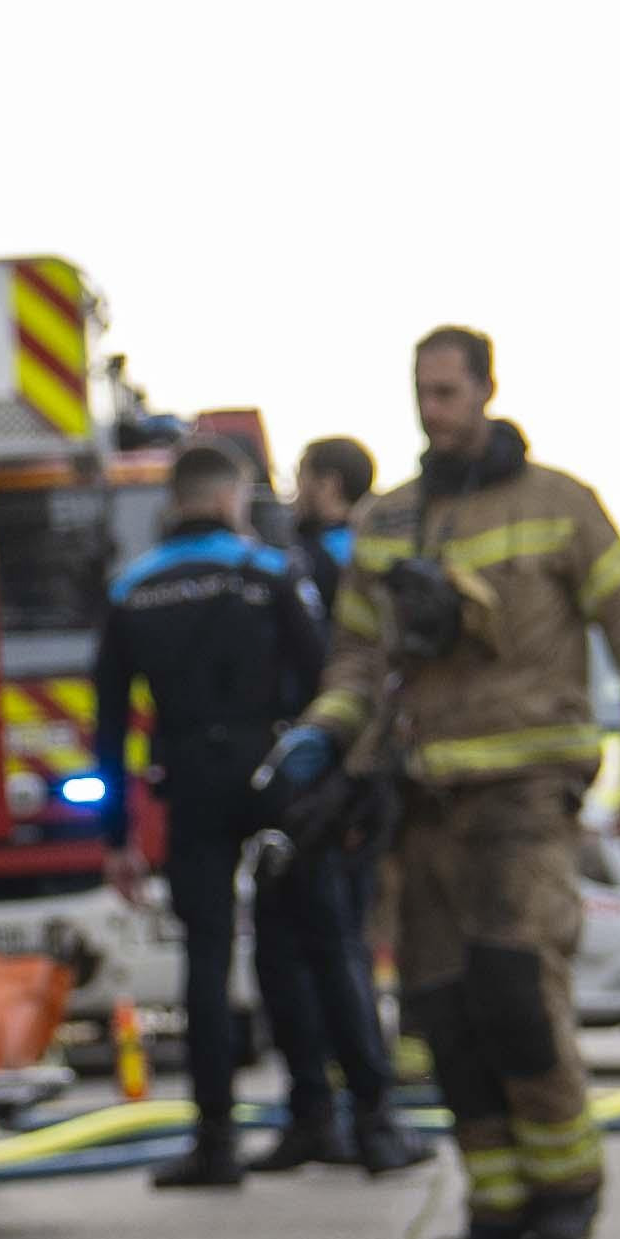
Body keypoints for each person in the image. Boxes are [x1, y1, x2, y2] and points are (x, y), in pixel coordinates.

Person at [265, 326, 620, 1239]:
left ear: (487, 391)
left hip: (525, 792)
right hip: (423, 799)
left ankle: (567, 1183)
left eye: (448, 392)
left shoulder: (559, 504)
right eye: (421, 392)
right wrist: (323, 732)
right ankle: (496, 1202)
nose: (432, 410)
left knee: (512, 990)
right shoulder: (390, 519)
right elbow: (357, 654)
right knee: (440, 1007)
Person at [89, 439, 332, 1193]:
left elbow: (106, 724)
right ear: (231, 498)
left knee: (205, 958)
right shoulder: (267, 570)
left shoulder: (131, 587)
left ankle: (215, 1140)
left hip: (188, 780)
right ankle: (313, 1113)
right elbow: (322, 676)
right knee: (291, 947)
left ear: (172, 502)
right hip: (269, 776)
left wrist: (115, 837)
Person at [247, 436, 414, 1174]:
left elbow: (347, 673)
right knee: (315, 944)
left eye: (303, 480)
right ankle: (342, 1113)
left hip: (328, 777)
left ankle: (352, 1113)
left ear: (328, 483)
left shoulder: (324, 564)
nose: (294, 492)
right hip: (342, 775)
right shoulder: (343, 560)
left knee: (324, 946)